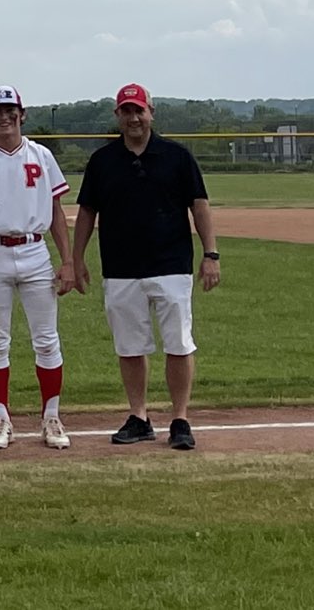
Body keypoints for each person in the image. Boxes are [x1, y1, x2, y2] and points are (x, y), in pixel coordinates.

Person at [69, 83, 221, 451]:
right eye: (126, 111)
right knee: (130, 346)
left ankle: (180, 418)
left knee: (178, 344)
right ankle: (138, 416)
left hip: (171, 265)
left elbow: (198, 205)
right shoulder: (103, 161)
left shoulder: (176, 156)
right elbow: (87, 211)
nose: (134, 117)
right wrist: (76, 259)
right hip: (120, 268)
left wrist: (211, 254)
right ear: (117, 116)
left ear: (151, 112)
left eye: (139, 110)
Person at [0, 85, 76, 452]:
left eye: (10, 110)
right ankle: (1, 417)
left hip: (34, 249)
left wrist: (67, 261)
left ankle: (51, 416)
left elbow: (55, 212)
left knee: (46, 338)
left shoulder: (40, 154)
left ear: (22, 114)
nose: (3, 117)